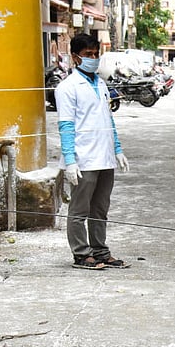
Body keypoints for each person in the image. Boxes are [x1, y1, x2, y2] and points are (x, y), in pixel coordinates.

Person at [55, 34, 131, 270]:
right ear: (76, 57)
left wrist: (117, 149)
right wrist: (70, 161)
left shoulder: (100, 83)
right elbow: (66, 126)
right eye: (88, 55)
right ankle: (81, 253)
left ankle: (99, 250)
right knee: (79, 210)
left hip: (105, 156)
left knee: (100, 208)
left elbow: (108, 120)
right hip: (83, 158)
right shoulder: (66, 88)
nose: (93, 59)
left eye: (96, 54)